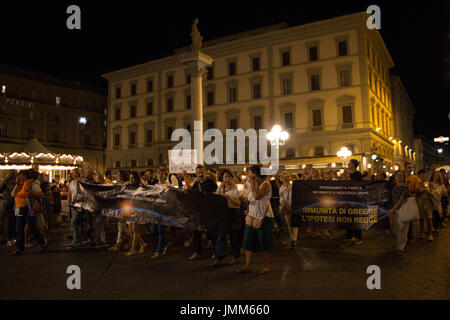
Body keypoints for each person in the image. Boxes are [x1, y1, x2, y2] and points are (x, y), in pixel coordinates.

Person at [239, 165, 274, 275]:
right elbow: (250, 199)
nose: (248, 175)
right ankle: (247, 265)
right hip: (252, 216)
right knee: (247, 242)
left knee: (264, 242)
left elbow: (257, 196)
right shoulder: (250, 184)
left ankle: (266, 266)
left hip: (264, 217)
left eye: (249, 173)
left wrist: (252, 183)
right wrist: (244, 200)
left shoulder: (266, 184)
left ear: (256, 173)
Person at [10, 170, 47, 256]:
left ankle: (42, 242)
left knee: (32, 227)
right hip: (19, 208)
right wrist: (17, 184)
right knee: (19, 228)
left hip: (28, 208)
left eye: (21, 176)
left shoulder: (32, 184)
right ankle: (19, 248)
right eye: (18, 176)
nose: (19, 177)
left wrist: (29, 191)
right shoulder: (19, 185)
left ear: (25, 176)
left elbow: (41, 195)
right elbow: (13, 194)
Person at [213, 170, 242, 267]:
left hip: (233, 212)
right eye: (225, 176)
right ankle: (219, 257)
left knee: (234, 236)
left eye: (229, 176)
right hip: (223, 213)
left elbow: (239, 203)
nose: (227, 179)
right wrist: (220, 187)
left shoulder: (236, 188)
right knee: (221, 236)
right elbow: (215, 198)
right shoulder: (221, 188)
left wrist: (229, 198)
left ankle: (235, 256)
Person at [188, 165, 218, 261]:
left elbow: (216, 196)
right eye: (198, 173)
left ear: (205, 172)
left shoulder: (211, 183)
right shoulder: (196, 185)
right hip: (199, 213)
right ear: (196, 174)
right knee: (197, 232)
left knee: (211, 233)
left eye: (202, 172)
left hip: (209, 212)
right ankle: (197, 252)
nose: (200, 174)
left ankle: (216, 251)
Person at [124, 171, 147, 256]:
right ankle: (142, 244)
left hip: (138, 210)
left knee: (135, 230)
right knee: (132, 231)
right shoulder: (129, 186)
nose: (131, 180)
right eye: (130, 178)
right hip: (130, 209)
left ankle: (133, 249)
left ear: (136, 178)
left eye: (132, 178)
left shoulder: (140, 186)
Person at [388, 170, 411, 255]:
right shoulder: (392, 186)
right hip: (393, 210)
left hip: (403, 210)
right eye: (398, 175)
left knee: (402, 229)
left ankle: (400, 247)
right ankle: (402, 241)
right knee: (395, 229)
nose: (399, 177)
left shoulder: (405, 187)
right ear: (395, 176)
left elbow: (402, 199)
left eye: (401, 175)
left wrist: (393, 208)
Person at [109, 170, 132, 252]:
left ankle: (120, 243)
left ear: (122, 176)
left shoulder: (128, 185)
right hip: (121, 208)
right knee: (122, 226)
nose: (117, 176)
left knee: (124, 226)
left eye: (118, 175)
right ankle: (129, 241)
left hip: (126, 208)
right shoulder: (119, 185)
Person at [151, 168, 171, 259]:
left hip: (164, 211)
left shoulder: (168, 185)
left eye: (162, 174)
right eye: (159, 174)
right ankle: (165, 243)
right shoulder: (155, 185)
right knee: (153, 231)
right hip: (155, 210)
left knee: (161, 231)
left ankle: (158, 251)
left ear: (165, 175)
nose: (160, 175)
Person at [343, 159, 363, 244]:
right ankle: (349, 235)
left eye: (350, 163)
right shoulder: (347, 173)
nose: (348, 165)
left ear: (354, 165)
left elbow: (355, 185)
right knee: (348, 217)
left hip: (355, 198)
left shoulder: (357, 174)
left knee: (355, 218)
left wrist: (347, 176)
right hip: (347, 197)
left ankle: (357, 237)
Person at [279, 171, 298, 249]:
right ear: (282, 178)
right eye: (285, 177)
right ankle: (292, 238)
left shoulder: (294, 186)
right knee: (289, 224)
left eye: (288, 176)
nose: (286, 178)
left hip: (295, 207)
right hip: (286, 207)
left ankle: (294, 239)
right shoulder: (281, 188)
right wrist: (286, 207)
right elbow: (282, 199)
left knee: (295, 224)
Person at [416, 169, 435, 241]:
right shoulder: (417, 184)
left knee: (429, 218)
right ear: (419, 176)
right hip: (420, 202)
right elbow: (416, 195)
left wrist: (429, 192)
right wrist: (421, 191)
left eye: (424, 174)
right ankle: (422, 233)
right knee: (421, 219)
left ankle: (430, 234)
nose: (423, 176)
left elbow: (433, 193)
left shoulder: (429, 183)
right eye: (421, 175)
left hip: (428, 203)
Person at [0, 170, 17, 246]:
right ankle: (10, 237)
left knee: (11, 220)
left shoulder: (8, 182)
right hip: (10, 201)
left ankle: (10, 237)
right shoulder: (13, 182)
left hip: (10, 200)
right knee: (10, 219)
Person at [405, 162, 420, 241]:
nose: (410, 169)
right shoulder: (402, 177)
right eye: (409, 167)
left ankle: (410, 235)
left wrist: (408, 190)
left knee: (410, 217)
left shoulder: (415, 178)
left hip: (411, 199)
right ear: (405, 168)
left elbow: (417, 189)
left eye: (411, 168)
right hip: (403, 200)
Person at [93, 172, 107, 247]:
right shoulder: (95, 186)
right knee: (98, 224)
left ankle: (100, 240)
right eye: (95, 178)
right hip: (97, 207)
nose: (95, 179)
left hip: (102, 207)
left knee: (99, 223)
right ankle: (99, 240)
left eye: (96, 178)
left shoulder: (103, 186)